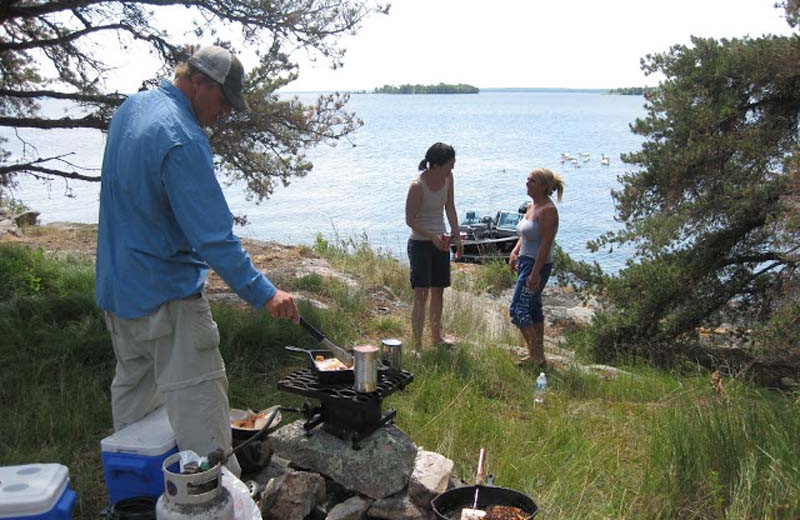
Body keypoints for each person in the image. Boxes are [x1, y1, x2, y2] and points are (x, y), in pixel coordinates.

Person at [95, 46, 299, 477]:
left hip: (120, 294)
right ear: (198, 82)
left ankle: (139, 496)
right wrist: (265, 293)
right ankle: (213, 498)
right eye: (224, 100)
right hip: (168, 303)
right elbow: (213, 238)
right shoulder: (183, 139)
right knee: (204, 428)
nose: (225, 112)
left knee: (134, 427)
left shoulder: (132, 109)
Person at [405, 142, 464, 349]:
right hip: (420, 243)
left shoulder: (448, 178)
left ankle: (437, 338)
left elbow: (450, 207)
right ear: (436, 165)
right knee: (421, 293)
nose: (453, 168)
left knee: (439, 291)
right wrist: (431, 236)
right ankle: (417, 345)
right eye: (450, 164)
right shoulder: (417, 186)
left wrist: (456, 238)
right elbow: (410, 220)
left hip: (441, 242)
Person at [508, 167, 564, 368]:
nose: (527, 183)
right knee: (532, 308)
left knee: (517, 309)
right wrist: (515, 252)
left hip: (536, 265)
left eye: (531, 180)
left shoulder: (548, 210)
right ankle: (538, 357)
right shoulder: (533, 205)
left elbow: (546, 243)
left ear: (543, 186)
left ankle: (536, 355)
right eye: (527, 179)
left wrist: (534, 273)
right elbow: (525, 235)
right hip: (525, 262)